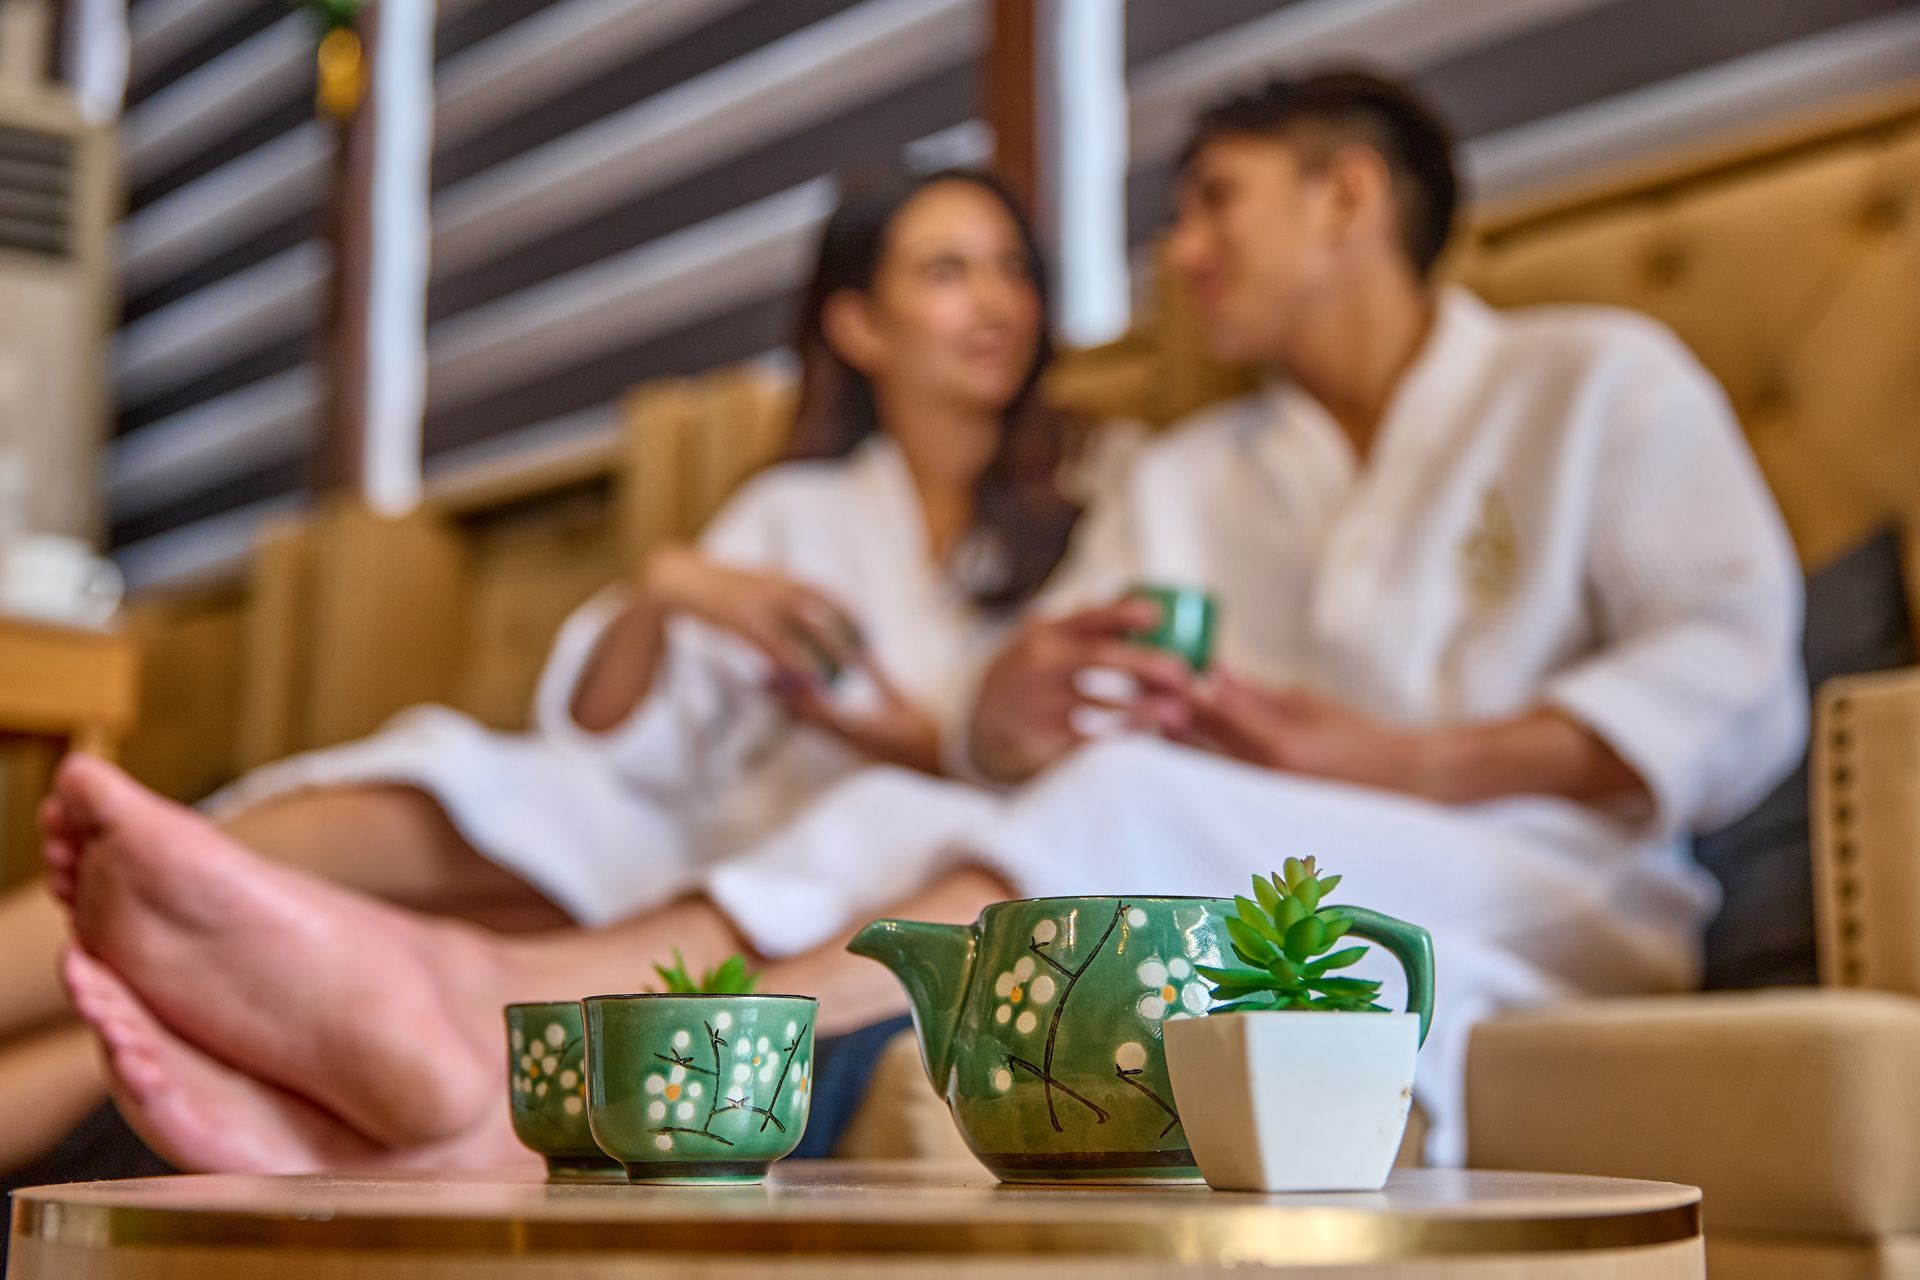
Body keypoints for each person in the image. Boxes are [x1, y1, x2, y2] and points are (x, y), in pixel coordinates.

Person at [48, 69, 1801, 1171]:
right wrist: (1030, 701)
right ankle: (503, 1024)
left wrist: (1401, 754)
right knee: (981, 810)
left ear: (1351, 197)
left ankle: (496, 1005)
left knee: (1075, 817)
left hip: (1544, 867)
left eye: (1213, 204)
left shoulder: (1598, 385)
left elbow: (1731, 681)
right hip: (1224, 837)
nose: (1177, 254)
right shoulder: (1197, 472)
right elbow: (1055, 722)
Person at [8, 164, 1102, 1167]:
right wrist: (679, 586)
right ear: (858, 324)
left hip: (801, 861)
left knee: (150, 995)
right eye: (947, 271)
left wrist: (900, 731)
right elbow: (613, 731)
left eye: (1012, 268)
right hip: (675, 817)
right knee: (445, 787)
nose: (996, 302)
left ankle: (179, 923)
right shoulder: (797, 509)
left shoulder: (1090, 514)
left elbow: (1059, 772)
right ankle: (180, 872)